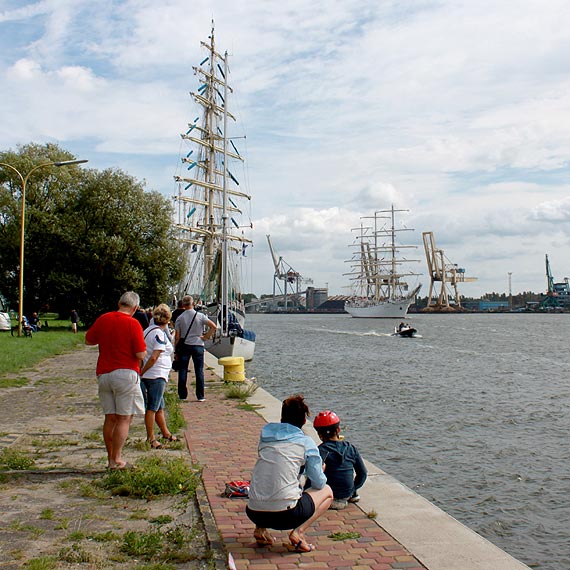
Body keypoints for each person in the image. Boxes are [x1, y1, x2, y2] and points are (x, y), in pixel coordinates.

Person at [246, 394, 333, 552]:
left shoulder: (265, 438)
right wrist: (320, 469)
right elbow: (319, 482)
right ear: (304, 421)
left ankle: (260, 529)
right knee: (327, 491)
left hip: (253, 511)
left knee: (268, 475)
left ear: (281, 417)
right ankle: (298, 533)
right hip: (286, 515)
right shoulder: (306, 443)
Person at [85, 291, 146, 470]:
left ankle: (110, 458)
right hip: (126, 373)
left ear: (119, 303)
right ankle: (117, 459)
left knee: (110, 418)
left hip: (104, 373)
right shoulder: (133, 323)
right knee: (124, 418)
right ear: (135, 308)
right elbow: (140, 353)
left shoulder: (104, 319)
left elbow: (88, 340)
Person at [140, 304, 178, 448]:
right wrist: (143, 371)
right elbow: (155, 356)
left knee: (159, 406)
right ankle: (151, 438)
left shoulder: (147, 331)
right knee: (152, 407)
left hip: (153, 374)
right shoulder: (159, 334)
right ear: (168, 319)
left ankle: (165, 432)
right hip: (156, 374)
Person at [313, 410, 367, 510]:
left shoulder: (321, 451)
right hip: (347, 494)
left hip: (328, 495)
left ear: (319, 434)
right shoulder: (351, 448)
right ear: (338, 430)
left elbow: (314, 476)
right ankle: (353, 495)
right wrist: (353, 489)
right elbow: (363, 473)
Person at [174, 295, 216, 402]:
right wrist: (206, 336)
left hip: (185, 345)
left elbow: (177, 336)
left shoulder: (180, 318)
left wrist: (176, 349)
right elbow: (213, 326)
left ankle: (183, 395)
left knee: (183, 370)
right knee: (199, 371)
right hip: (198, 344)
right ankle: (200, 395)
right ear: (193, 304)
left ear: (183, 305)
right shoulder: (200, 316)